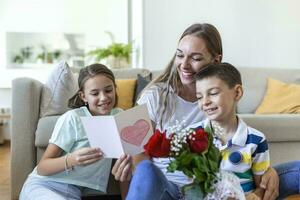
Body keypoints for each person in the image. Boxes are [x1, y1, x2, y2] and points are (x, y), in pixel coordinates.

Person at [112, 23, 299, 200]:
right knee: (145, 170)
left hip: (218, 187)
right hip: (169, 188)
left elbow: (237, 144)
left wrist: (267, 171)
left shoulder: (223, 92)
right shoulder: (154, 95)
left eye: (195, 58)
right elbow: (135, 152)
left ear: (216, 60)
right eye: (180, 55)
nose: (184, 65)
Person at [19, 63, 129, 200]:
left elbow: (124, 168)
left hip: (73, 194)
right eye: (95, 93)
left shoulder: (120, 117)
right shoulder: (73, 118)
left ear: (115, 89)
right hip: (44, 186)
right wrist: (72, 159)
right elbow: (42, 167)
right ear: (83, 96)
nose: (104, 97)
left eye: (108, 90)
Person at [195, 62, 270, 199]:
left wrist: (254, 196)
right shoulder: (192, 136)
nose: (205, 102)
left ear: (237, 93)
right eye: (199, 97)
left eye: (213, 93)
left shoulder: (256, 140)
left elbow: (262, 187)